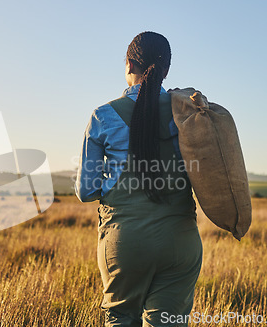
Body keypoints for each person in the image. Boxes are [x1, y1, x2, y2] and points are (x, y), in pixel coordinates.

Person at [75, 31, 203, 327]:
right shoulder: (186, 112)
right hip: (180, 242)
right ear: (167, 70)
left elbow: (86, 191)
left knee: (121, 319)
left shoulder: (103, 116)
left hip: (124, 243)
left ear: (129, 64)